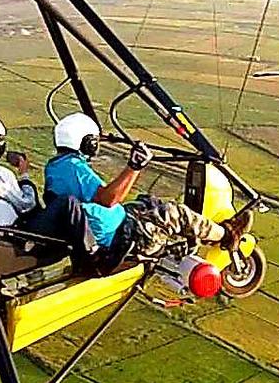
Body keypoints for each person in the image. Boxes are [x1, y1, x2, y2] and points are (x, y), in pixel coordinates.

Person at [43, 112, 247, 271]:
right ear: (88, 142)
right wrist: (134, 166)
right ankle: (227, 235)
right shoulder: (74, 169)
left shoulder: (55, 167)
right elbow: (109, 199)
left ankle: (201, 236)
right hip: (122, 240)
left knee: (149, 203)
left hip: (112, 229)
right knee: (173, 213)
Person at [0, 113, 97, 259]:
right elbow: (27, 204)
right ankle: (92, 253)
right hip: (17, 236)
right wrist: (24, 173)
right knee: (68, 203)